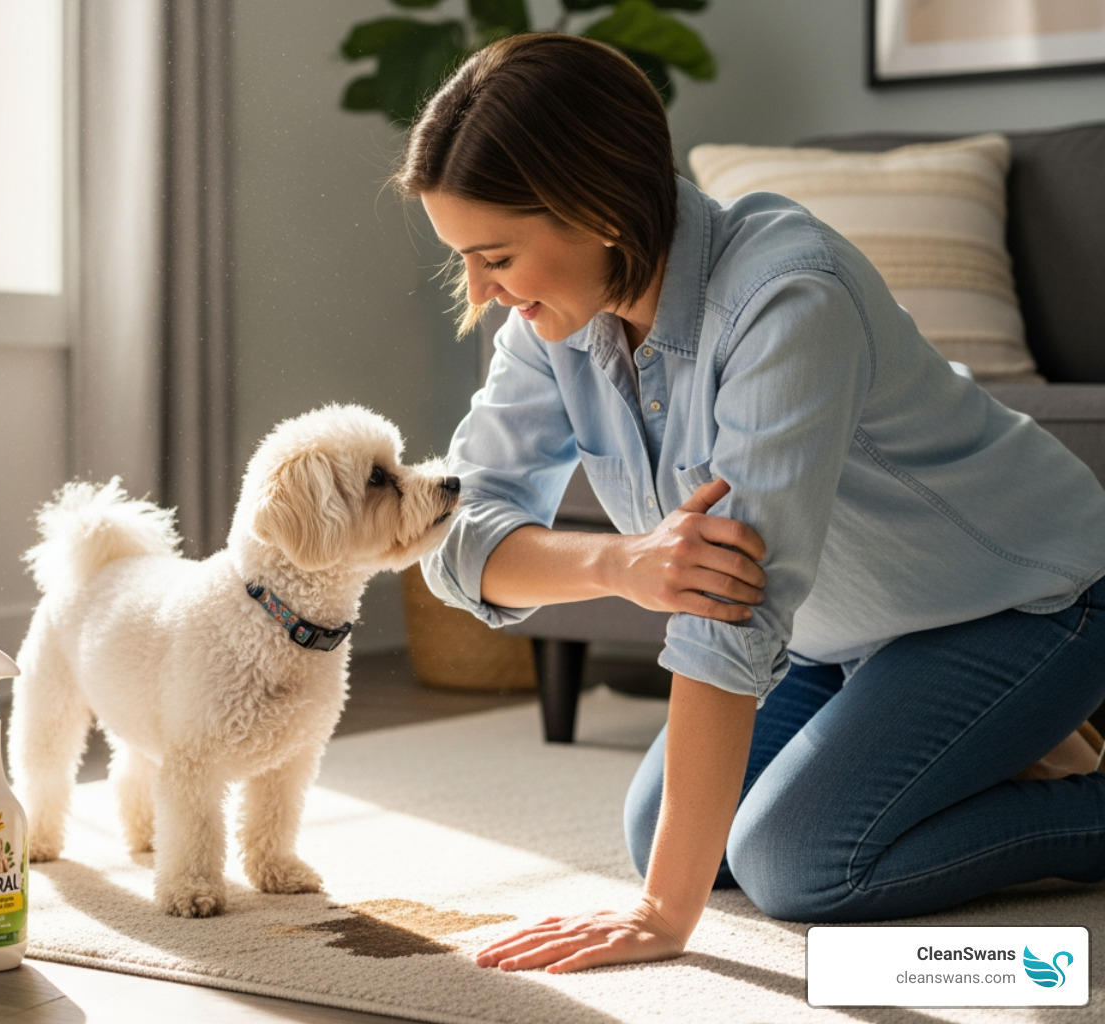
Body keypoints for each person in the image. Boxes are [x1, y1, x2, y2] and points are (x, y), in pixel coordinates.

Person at [396, 33, 1105, 975]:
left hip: (1026, 602)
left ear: (596, 210)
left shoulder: (786, 297)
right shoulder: (553, 315)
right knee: (668, 829)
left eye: (495, 256)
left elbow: (730, 613)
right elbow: (453, 532)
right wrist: (623, 562)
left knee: (798, 863)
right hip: (846, 633)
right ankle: (998, 741)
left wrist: (661, 917)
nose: (481, 293)